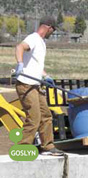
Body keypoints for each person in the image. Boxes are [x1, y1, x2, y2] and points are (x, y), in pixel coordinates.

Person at [15, 16, 64, 156]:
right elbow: (20, 47)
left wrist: (46, 76)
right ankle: (23, 149)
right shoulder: (34, 38)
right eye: (53, 30)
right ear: (48, 27)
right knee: (34, 117)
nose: (52, 33)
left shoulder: (42, 42)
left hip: (35, 85)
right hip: (25, 84)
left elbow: (36, 65)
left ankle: (47, 147)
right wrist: (20, 63)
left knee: (46, 115)